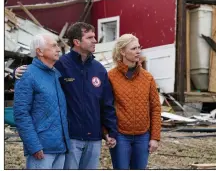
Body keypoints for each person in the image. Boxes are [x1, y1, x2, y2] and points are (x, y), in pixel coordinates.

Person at [14, 22, 118, 169]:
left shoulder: (97, 70)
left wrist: (109, 131)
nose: (95, 40)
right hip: (65, 140)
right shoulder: (60, 66)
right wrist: (16, 72)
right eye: (90, 37)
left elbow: (106, 103)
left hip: (81, 141)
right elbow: (22, 111)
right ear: (77, 42)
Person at [13, 34, 70, 169]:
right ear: (39, 51)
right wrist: (34, 146)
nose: (58, 49)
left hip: (60, 147)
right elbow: (21, 114)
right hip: (41, 149)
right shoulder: (27, 74)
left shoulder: (55, 73)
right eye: (53, 46)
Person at [107, 34, 162, 169]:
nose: (138, 51)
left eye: (139, 47)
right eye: (133, 48)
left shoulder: (148, 78)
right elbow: (105, 108)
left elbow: (155, 107)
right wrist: (107, 133)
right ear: (122, 52)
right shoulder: (110, 77)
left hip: (143, 136)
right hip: (120, 136)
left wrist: (155, 137)